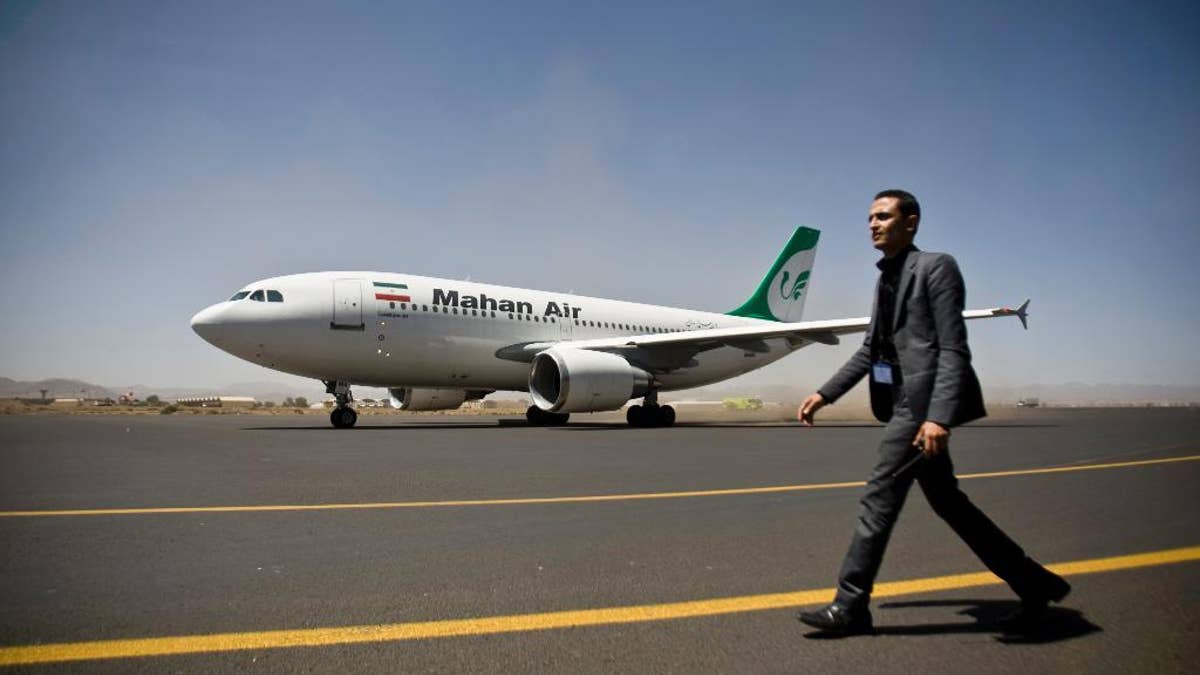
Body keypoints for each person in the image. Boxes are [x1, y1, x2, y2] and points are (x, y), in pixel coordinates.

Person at [795, 189, 1069, 635]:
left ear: (911, 221)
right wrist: (825, 394)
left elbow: (952, 347)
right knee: (950, 504)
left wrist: (938, 416)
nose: (873, 225)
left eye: (883, 216)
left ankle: (850, 606)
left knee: (879, 497)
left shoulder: (936, 267)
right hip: (904, 403)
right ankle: (1035, 584)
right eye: (869, 218)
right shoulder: (885, 278)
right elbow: (871, 350)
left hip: (920, 406)